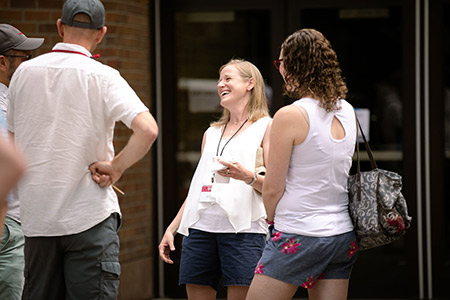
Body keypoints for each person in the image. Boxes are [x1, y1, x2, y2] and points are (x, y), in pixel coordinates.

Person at [6, 0, 158, 299]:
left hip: (37, 220)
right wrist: (116, 167)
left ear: (60, 27)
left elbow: (13, 142)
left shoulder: (22, 74)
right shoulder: (103, 76)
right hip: (89, 217)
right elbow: (148, 129)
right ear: (101, 33)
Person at [246, 28, 358, 300]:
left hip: (299, 231)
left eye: (281, 62)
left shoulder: (290, 115)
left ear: (295, 65)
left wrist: (272, 219)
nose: (280, 69)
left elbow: (273, 187)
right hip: (342, 233)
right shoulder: (347, 110)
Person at [159, 58, 272, 300]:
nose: (221, 84)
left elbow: (275, 185)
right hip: (200, 229)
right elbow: (197, 189)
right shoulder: (210, 133)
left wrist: (247, 177)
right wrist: (172, 228)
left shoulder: (266, 127)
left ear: (250, 83)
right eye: (220, 80)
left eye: (228, 78)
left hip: (245, 230)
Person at [0, 24, 43, 299]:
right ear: (2, 62)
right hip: (8, 225)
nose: (28, 64)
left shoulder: (10, 100)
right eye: (23, 58)